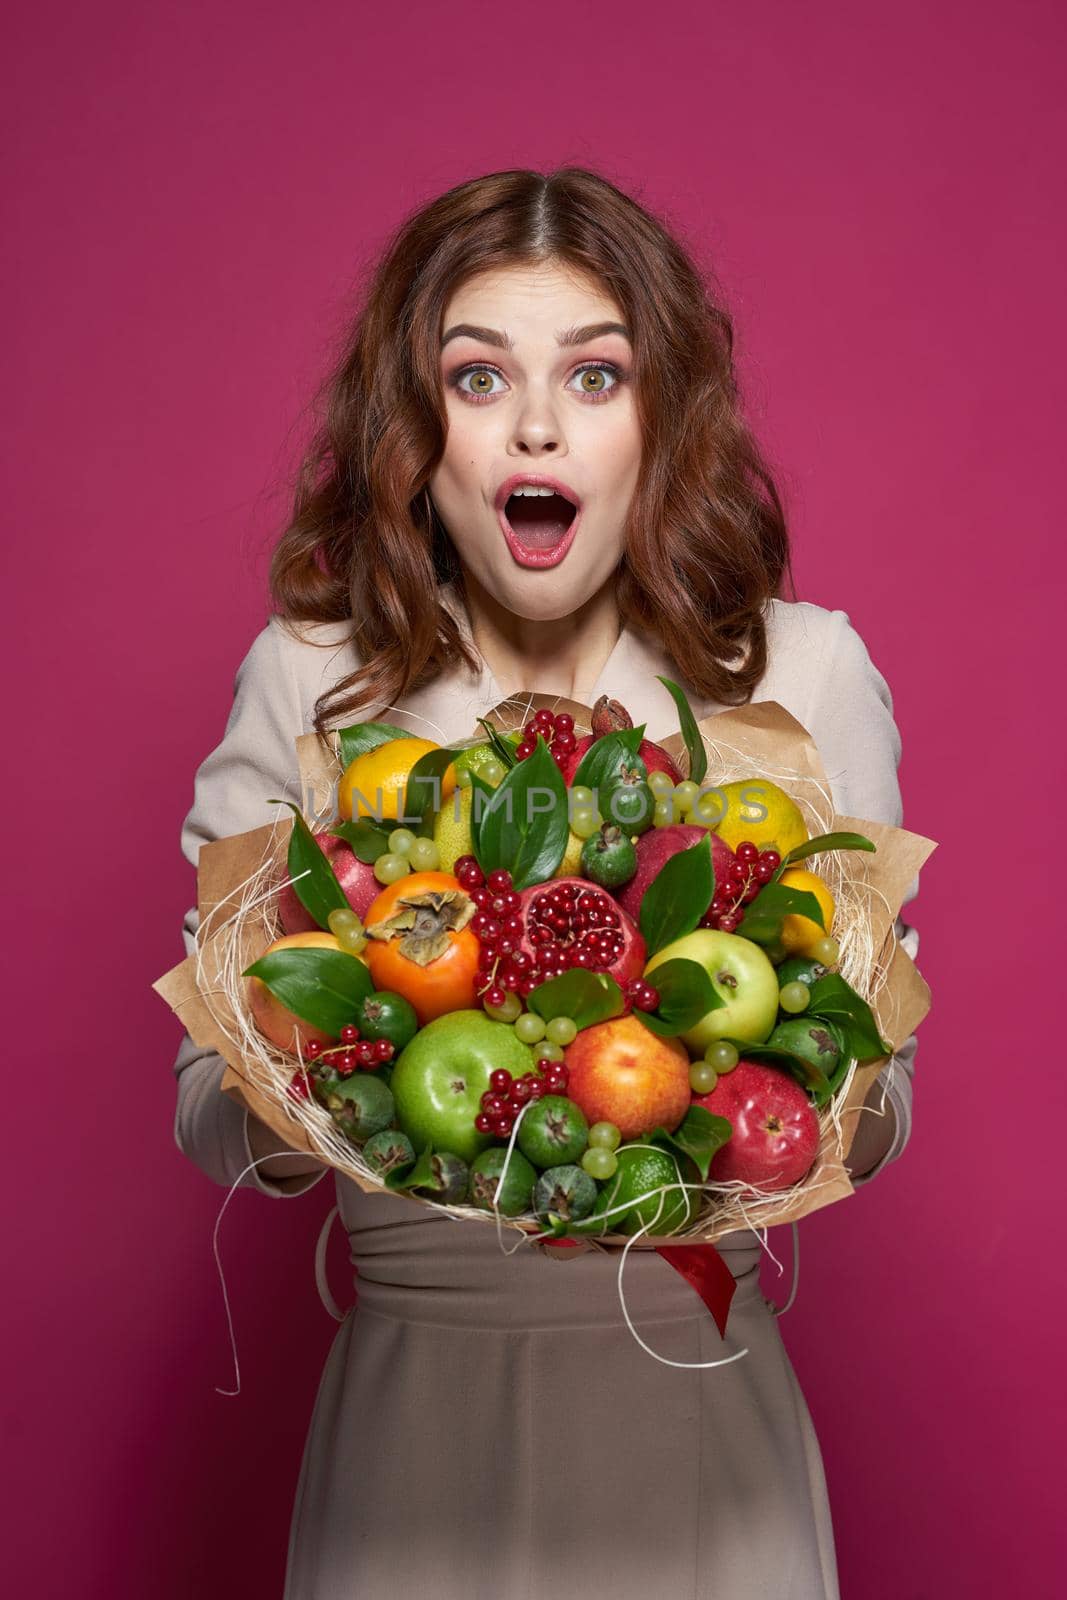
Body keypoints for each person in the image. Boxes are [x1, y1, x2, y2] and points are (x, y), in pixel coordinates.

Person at [171, 167, 922, 1600]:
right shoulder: (313, 682)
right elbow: (207, 1112)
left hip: (697, 1423)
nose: (534, 425)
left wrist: (791, 1087)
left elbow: (878, 1116)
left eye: (594, 374)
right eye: (476, 377)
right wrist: (303, 1079)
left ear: (661, 419)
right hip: (413, 1439)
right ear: (416, 431)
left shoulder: (803, 674)